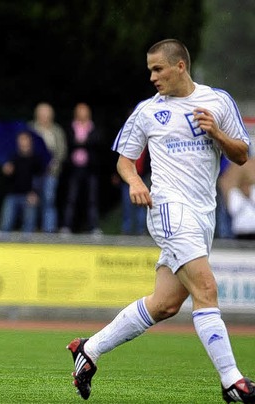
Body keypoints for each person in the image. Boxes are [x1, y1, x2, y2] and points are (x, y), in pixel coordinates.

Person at [67, 39, 253, 403]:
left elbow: (242, 154)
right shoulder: (148, 112)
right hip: (168, 208)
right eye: (150, 70)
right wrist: (136, 181)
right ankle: (233, 382)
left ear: (180, 66)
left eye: (158, 69)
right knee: (206, 290)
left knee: (166, 303)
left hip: (203, 214)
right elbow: (124, 159)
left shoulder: (218, 102)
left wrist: (216, 132)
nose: (152, 76)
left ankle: (88, 350)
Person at [60, 102, 102, 235]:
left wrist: (81, 143)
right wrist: (83, 144)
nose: (82, 114)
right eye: (80, 111)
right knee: (71, 198)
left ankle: (93, 227)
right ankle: (66, 226)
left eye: (84, 111)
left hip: (90, 169)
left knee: (92, 199)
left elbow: (96, 143)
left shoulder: (94, 128)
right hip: (74, 169)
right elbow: (68, 143)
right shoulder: (70, 127)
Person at [30, 102, 67, 233]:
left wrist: (55, 163)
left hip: (51, 172)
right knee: (32, 200)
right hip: (33, 172)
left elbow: (62, 150)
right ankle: (30, 229)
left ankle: (48, 230)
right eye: (42, 114)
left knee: (49, 200)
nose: (44, 117)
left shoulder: (57, 131)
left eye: (47, 114)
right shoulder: (31, 128)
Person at [0, 130, 43, 233]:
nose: (23, 142)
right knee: (6, 224)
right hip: (12, 194)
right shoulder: (12, 157)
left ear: (30, 141)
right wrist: (7, 171)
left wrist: (35, 192)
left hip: (29, 195)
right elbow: (7, 179)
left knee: (29, 227)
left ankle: (28, 248)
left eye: (25, 140)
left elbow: (39, 178)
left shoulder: (36, 159)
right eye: (21, 140)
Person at [219, 157, 255, 240]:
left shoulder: (254, 191)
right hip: (240, 230)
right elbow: (233, 210)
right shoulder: (235, 194)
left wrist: (250, 196)